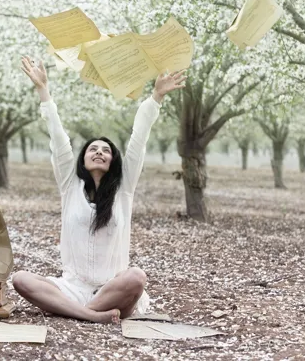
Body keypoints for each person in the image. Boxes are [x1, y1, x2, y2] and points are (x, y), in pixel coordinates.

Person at [13, 55, 187, 324]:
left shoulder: (124, 188)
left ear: (113, 160)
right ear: (82, 158)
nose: (99, 152)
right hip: (72, 288)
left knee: (137, 277)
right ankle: (91, 315)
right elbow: (58, 138)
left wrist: (156, 98)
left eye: (105, 150)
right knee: (20, 279)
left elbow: (138, 141)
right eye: (93, 149)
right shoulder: (70, 185)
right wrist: (43, 91)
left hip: (113, 289)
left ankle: (78, 312)